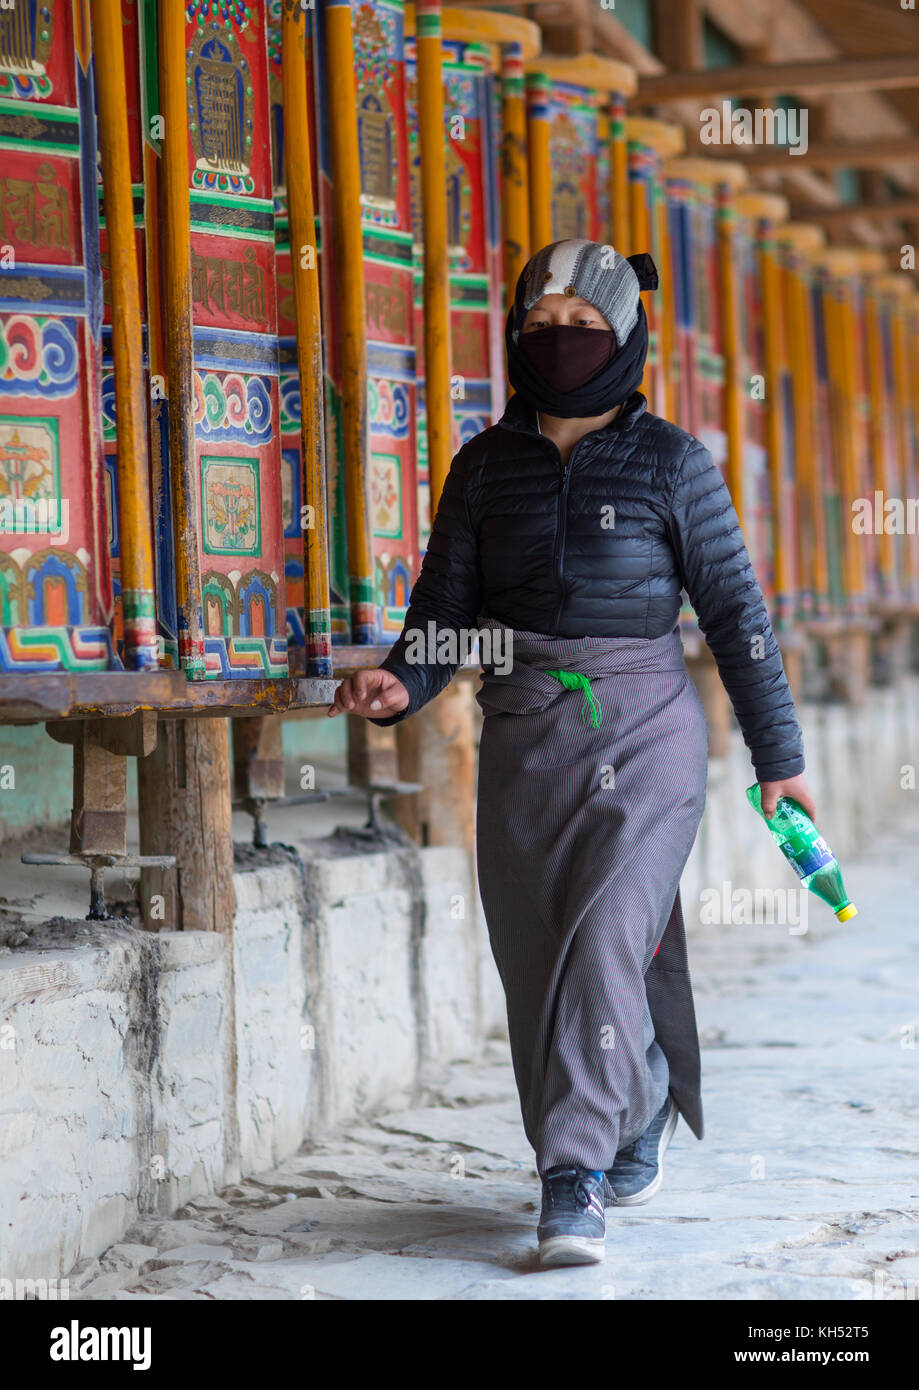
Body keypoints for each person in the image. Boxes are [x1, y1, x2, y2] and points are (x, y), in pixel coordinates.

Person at [328, 238, 814, 1268]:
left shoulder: (673, 463)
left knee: (603, 936)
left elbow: (737, 614)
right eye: (540, 326)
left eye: (582, 326)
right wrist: (399, 683)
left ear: (624, 334)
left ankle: (571, 1175)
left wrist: (780, 757)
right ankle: (631, 1102)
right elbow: (445, 616)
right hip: (524, 729)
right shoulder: (483, 466)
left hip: (645, 728)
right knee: (538, 957)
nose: (560, 342)